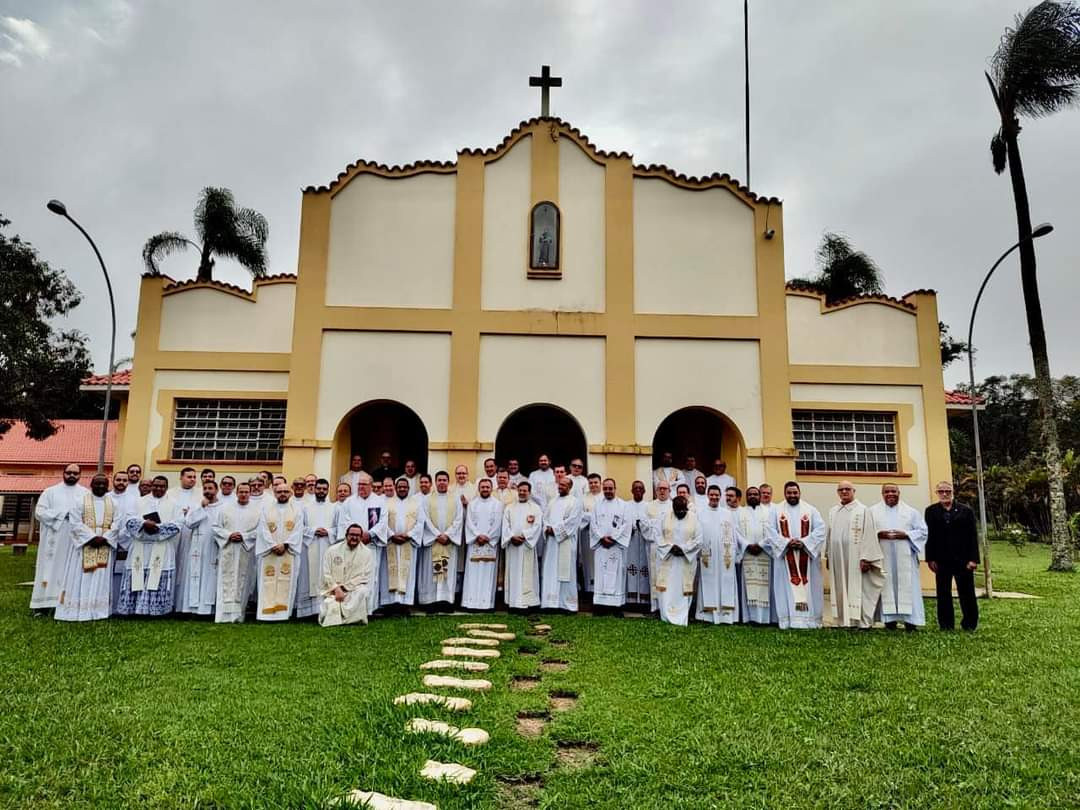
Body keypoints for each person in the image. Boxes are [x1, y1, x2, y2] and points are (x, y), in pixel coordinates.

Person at [55, 473, 119, 622]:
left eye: (104, 484)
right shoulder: (80, 501)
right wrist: (91, 537)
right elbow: (75, 523)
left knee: (101, 576)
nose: (101, 486)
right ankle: (79, 609)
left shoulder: (113, 503)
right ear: (91, 484)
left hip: (105, 543)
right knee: (81, 575)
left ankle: (98, 610)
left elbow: (117, 523)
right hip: (85, 544)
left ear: (108, 486)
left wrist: (105, 537)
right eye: (98, 483)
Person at [117, 475, 182, 616]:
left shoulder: (174, 504)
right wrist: (143, 524)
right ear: (152, 486)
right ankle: (133, 608)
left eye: (162, 486)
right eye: (156, 485)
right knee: (137, 573)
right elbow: (129, 519)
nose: (159, 488)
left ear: (167, 487)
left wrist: (157, 528)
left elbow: (178, 524)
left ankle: (157, 610)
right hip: (140, 545)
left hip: (161, 545)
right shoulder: (138, 501)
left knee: (157, 575)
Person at [767, 481, 826, 629]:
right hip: (785, 558)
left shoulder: (811, 510)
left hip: (806, 559)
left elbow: (820, 529)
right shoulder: (776, 511)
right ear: (785, 494)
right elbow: (770, 531)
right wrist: (786, 543)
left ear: (799, 493)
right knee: (785, 588)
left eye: (795, 492)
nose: (792, 495)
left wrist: (804, 542)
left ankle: (810, 621)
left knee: (809, 586)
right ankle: (788, 620)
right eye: (789, 493)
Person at [825, 481, 883, 629]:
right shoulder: (833, 511)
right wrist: (828, 555)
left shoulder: (863, 510)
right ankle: (843, 620)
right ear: (838, 492)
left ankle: (861, 621)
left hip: (857, 557)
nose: (844, 492)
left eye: (847, 489)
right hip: (837, 556)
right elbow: (829, 534)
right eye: (841, 490)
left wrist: (866, 558)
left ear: (854, 491)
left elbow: (869, 534)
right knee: (840, 587)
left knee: (859, 588)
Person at [31, 464, 88, 610]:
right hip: (54, 537)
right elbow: (39, 512)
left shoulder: (85, 493)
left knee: (72, 569)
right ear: (63, 473)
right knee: (50, 568)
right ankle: (43, 604)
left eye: (75, 473)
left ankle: (68, 604)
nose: (72, 475)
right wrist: (63, 515)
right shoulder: (50, 492)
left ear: (80, 475)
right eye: (69, 472)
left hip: (75, 539)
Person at [872, 483, 928, 630]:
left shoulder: (911, 512)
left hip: (906, 558)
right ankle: (889, 620)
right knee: (886, 585)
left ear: (899, 493)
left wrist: (906, 534)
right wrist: (878, 534)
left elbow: (923, 532)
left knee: (909, 586)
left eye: (893, 491)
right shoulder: (873, 512)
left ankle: (910, 622)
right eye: (887, 491)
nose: (890, 494)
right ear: (882, 494)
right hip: (883, 556)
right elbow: (867, 532)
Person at [925, 480, 980, 631]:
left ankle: (969, 623)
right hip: (941, 559)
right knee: (943, 593)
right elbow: (929, 536)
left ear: (952, 492)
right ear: (937, 493)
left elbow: (972, 536)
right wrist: (930, 558)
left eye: (947, 491)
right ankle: (946, 624)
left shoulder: (966, 511)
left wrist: (973, 559)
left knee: (967, 593)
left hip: (963, 559)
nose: (944, 494)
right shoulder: (931, 511)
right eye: (941, 491)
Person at [335, 474, 387, 614]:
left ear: (371, 486)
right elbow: (344, 521)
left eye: (364, 484)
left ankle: (368, 609)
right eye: (359, 484)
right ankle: (351, 609)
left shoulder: (379, 501)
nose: (361, 487)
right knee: (352, 576)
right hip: (353, 545)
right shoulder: (349, 502)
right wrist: (356, 536)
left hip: (371, 544)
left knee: (370, 577)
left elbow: (383, 522)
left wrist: (370, 534)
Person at [255, 482, 304, 621]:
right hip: (269, 551)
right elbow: (263, 529)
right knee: (268, 580)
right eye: (279, 491)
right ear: (274, 493)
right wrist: (272, 545)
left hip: (288, 551)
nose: (282, 494)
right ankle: (266, 613)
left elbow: (298, 530)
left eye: (285, 491)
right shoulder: (266, 509)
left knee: (286, 579)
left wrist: (286, 545)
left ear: (290, 493)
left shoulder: (297, 510)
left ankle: (283, 614)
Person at [696, 486, 743, 624]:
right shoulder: (701, 513)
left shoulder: (727, 514)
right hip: (708, 555)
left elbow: (734, 535)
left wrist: (736, 553)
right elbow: (698, 534)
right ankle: (707, 614)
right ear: (707, 495)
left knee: (726, 580)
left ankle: (726, 615)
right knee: (708, 579)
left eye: (717, 495)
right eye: (712, 495)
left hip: (724, 555)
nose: (714, 497)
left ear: (720, 496)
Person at [176, 479, 223, 616]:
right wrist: (201, 508)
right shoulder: (196, 506)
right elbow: (189, 523)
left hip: (214, 546)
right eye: (205, 488)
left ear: (216, 490)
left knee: (211, 577)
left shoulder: (223, 507)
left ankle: (209, 609)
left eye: (210, 488)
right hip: (196, 549)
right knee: (195, 575)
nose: (207, 491)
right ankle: (193, 608)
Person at [214, 481, 259, 623]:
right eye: (241, 492)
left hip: (246, 549)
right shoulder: (225, 508)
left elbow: (260, 530)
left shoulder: (257, 510)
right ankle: (223, 616)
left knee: (242, 581)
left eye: (246, 492)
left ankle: (239, 615)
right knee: (226, 580)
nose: (243, 494)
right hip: (228, 548)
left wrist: (244, 536)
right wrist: (229, 535)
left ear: (250, 493)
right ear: (237, 492)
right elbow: (216, 527)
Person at [417, 470, 463, 607]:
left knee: (447, 570)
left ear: (448, 482)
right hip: (433, 542)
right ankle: (430, 601)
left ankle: (446, 601)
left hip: (448, 542)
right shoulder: (427, 499)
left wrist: (448, 535)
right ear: (435, 482)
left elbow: (459, 519)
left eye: (444, 480)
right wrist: (437, 534)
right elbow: (425, 519)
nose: (442, 482)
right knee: (431, 572)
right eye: (439, 480)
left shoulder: (455, 499)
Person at [655, 495, 702, 626]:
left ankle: (682, 616)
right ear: (673, 507)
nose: (681, 512)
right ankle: (666, 615)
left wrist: (684, 549)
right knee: (667, 588)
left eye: (683, 510)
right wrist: (670, 548)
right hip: (668, 558)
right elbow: (657, 535)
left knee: (683, 588)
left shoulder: (694, 518)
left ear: (687, 507)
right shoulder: (665, 517)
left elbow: (699, 539)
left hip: (685, 560)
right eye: (678, 510)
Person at [319, 523, 374, 627]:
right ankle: (347, 619)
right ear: (346, 535)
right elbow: (326, 573)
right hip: (333, 589)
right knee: (328, 608)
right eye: (352, 534)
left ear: (361, 537)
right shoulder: (332, 550)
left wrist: (344, 587)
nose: (354, 538)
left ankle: (346, 619)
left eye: (357, 535)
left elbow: (365, 576)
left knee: (362, 591)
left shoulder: (367, 553)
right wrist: (336, 588)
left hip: (353, 589)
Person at [541, 474, 582, 611]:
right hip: (552, 544)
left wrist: (555, 530)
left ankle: (567, 604)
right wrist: (547, 528)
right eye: (560, 484)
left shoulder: (575, 502)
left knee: (566, 572)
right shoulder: (552, 501)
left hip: (566, 542)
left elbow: (573, 522)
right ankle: (550, 603)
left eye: (564, 485)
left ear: (570, 487)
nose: (560, 486)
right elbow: (545, 518)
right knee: (551, 570)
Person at [297, 478, 336, 619]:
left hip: (328, 545)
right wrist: (313, 531)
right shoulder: (305, 507)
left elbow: (340, 527)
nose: (321, 491)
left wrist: (328, 532)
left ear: (328, 490)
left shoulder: (334, 508)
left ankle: (326, 609)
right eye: (319, 488)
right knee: (308, 576)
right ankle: (308, 611)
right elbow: (299, 526)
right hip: (310, 546)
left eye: (324, 489)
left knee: (326, 574)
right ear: (314, 489)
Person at [462, 478, 504, 610]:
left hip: (490, 544)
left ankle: (486, 604)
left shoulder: (498, 504)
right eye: (483, 487)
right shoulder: (472, 504)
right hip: (475, 543)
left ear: (491, 489)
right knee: (473, 574)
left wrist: (488, 537)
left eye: (487, 487)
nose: (485, 489)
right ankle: (471, 603)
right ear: (479, 489)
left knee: (488, 574)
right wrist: (477, 536)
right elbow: (469, 522)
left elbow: (498, 523)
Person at [736, 486, 775, 624]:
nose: (753, 496)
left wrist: (761, 544)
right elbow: (736, 533)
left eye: (755, 494)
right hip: (748, 553)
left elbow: (772, 531)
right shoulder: (740, 513)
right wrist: (747, 545)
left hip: (764, 552)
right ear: (746, 497)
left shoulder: (769, 512)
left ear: (759, 496)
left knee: (765, 584)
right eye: (750, 494)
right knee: (748, 584)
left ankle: (765, 617)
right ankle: (750, 617)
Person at [382, 477, 424, 608]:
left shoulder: (416, 504)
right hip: (392, 543)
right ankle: (390, 603)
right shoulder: (387, 503)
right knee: (390, 571)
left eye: (404, 487)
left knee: (407, 573)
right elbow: (382, 522)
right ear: (395, 488)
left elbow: (420, 523)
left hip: (408, 543)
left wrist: (408, 535)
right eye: (399, 487)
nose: (402, 489)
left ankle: (405, 603)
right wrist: (391, 535)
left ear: (408, 488)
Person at [501, 481, 543, 609]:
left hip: (526, 546)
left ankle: (527, 602)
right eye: (520, 490)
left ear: (529, 492)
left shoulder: (535, 508)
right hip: (513, 547)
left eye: (525, 490)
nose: (522, 493)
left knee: (527, 573)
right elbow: (505, 525)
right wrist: (511, 537)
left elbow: (537, 526)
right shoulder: (509, 508)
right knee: (514, 573)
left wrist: (524, 536)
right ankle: (513, 603)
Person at [590, 478, 630, 610]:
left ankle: (616, 606)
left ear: (615, 488)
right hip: (601, 546)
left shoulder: (623, 505)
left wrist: (613, 539)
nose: (608, 491)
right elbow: (593, 524)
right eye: (605, 488)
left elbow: (626, 524)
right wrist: (601, 538)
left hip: (616, 546)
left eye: (610, 488)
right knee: (600, 575)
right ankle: (600, 606)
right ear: (603, 489)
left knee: (616, 575)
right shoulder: (597, 505)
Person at [169, 467, 201, 607]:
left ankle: (183, 602)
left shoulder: (200, 493)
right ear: (181, 477)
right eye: (189, 477)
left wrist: (190, 513)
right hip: (174, 533)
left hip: (190, 533)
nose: (192, 479)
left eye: (194, 477)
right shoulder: (171, 493)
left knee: (186, 565)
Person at [643, 480, 674, 612]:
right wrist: (655, 536)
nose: (662, 491)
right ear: (655, 491)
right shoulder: (649, 506)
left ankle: (668, 606)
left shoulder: (673, 506)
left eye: (665, 489)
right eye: (659, 488)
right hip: (654, 546)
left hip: (669, 547)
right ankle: (655, 606)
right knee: (654, 575)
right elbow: (644, 525)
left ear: (669, 491)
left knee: (669, 576)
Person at [107, 470, 136, 613]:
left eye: (124, 480)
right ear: (113, 480)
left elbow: (133, 520)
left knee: (121, 573)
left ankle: (119, 606)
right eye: (118, 480)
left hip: (126, 541)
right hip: (107, 540)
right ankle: (105, 605)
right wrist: (111, 537)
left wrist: (122, 537)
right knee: (107, 573)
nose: (121, 483)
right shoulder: (106, 498)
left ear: (128, 482)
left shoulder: (134, 499)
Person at [624, 480, 651, 606]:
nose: (638, 490)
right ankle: (631, 599)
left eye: (641, 488)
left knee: (645, 568)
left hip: (645, 541)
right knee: (631, 566)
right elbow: (623, 522)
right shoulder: (626, 506)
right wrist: (631, 527)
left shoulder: (649, 506)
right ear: (632, 491)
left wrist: (643, 526)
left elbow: (651, 523)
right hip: (631, 541)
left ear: (644, 491)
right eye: (636, 488)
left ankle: (644, 600)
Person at [578, 473, 602, 593]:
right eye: (591, 483)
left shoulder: (605, 497)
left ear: (600, 483)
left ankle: (601, 589)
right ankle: (589, 589)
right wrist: (594, 517)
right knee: (588, 562)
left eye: (595, 482)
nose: (593, 485)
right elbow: (579, 515)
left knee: (601, 562)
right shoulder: (583, 498)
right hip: (587, 535)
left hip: (602, 537)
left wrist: (590, 516)